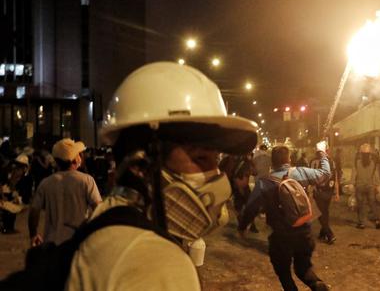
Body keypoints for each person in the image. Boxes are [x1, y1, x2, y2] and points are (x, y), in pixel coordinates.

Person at [63, 62, 258, 290]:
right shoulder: (155, 261)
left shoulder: (107, 221)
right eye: (201, 159)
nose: (216, 176)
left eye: (216, 160)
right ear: (140, 165)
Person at [238, 143, 331, 291]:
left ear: (272, 162)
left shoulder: (264, 183)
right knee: (303, 270)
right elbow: (325, 174)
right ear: (289, 159)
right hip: (304, 233)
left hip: (280, 237)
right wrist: (322, 154)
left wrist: (242, 227)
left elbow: (250, 209)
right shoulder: (301, 172)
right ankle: (319, 286)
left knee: (283, 272)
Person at [28, 139, 102, 246]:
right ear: (75, 159)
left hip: (52, 243)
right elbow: (98, 209)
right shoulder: (86, 180)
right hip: (77, 242)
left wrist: (33, 234)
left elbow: (34, 211)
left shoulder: (46, 183)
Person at [352, 143, 380, 229]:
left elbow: (354, 172)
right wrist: (378, 185)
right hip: (370, 186)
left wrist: (351, 183)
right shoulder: (373, 162)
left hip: (360, 186)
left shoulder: (357, 161)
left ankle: (361, 223)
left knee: (361, 204)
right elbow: (376, 174)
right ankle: (377, 222)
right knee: (372, 204)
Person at [310, 151, 339, 244]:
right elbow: (336, 177)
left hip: (319, 191)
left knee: (320, 213)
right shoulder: (332, 162)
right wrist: (336, 192)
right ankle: (323, 233)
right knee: (325, 212)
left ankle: (330, 234)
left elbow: (311, 176)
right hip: (329, 191)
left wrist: (310, 190)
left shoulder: (314, 161)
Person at [0, 154, 31, 233]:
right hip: (7, 194)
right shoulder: (9, 171)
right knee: (9, 211)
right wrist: (3, 195)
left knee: (11, 212)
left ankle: (9, 228)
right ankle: (7, 228)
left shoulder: (22, 175)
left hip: (10, 194)